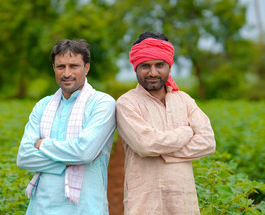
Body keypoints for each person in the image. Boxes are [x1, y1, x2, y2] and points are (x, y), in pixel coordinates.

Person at [116, 31, 216, 214]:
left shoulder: (184, 100)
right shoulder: (127, 103)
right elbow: (146, 145)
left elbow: (208, 142)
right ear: (136, 68)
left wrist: (165, 153)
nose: (152, 72)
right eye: (145, 66)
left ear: (169, 66)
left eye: (159, 65)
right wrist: (186, 133)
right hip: (145, 203)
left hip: (183, 202)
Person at [17, 39, 116, 215]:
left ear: (86, 68)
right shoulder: (43, 105)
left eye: (74, 66)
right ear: (54, 68)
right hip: (42, 207)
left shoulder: (102, 103)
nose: (66, 73)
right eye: (60, 66)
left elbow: (84, 152)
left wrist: (43, 145)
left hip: (86, 207)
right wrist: (69, 162)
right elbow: (24, 157)